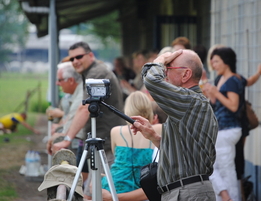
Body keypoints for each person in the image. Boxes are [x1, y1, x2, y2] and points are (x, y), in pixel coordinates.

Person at [131, 49, 218, 201]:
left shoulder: (189, 101)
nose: (165, 74)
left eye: (168, 69)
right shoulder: (193, 102)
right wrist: (154, 137)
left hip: (187, 192)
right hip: (186, 191)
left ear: (186, 74)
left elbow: (151, 81)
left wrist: (161, 58)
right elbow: (186, 154)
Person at [51, 41, 125, 176]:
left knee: (100, 192)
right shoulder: (92, 72)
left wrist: (67, 139)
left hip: (106, 144)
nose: (75, 61)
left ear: (90, 55)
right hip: (102, 141)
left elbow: (84, 108)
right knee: (91, 192)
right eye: (72, 58)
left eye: (79, 57)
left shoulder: (96, 73)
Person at [203, 47, 246, 201]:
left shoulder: (233, 80)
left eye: (216, 61)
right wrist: (210, 95)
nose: (213, 65)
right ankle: (224, 196)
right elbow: (217, 105)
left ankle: (231, 197)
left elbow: (233, 106)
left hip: (228, 129)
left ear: (226, 62)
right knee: (217, 168)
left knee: (225, 169)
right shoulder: (219, 79)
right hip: (219, 129)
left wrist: (216, 94)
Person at [46, 61, 85, 154]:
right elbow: (70, 115)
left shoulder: (82, 92)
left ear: (71, 80)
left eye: (59, 80)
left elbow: (76, 114)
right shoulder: (77, 92)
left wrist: (64, 135)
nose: (57, 83)